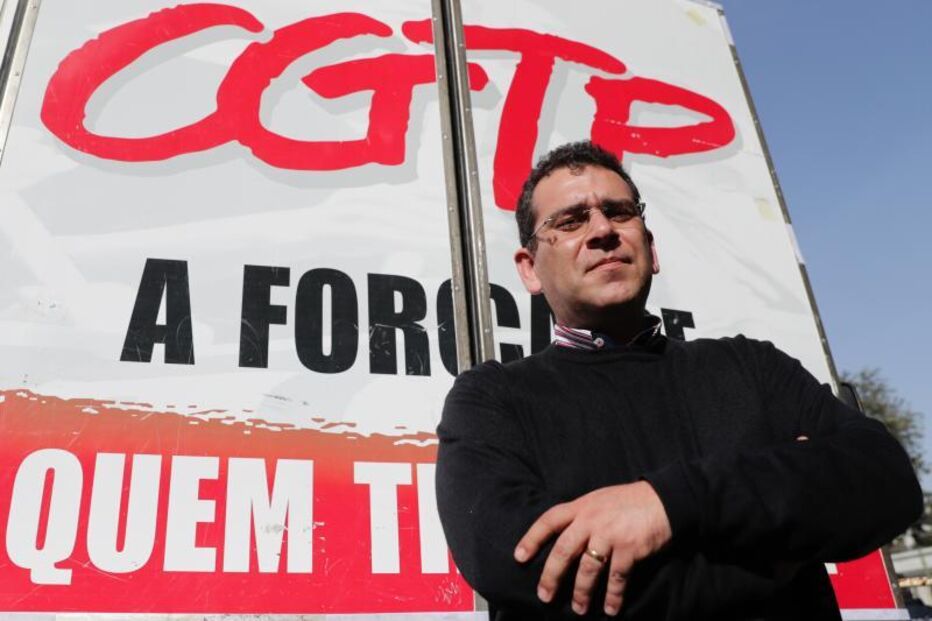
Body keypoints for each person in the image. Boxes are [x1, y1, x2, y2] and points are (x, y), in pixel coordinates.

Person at [435, 141, 922, 620]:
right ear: (529, 269)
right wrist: (774, 556)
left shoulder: (751, 366)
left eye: (620, 212)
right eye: (570, 220)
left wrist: (670, 503)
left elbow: (886, 481)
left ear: (650, 246)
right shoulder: (491, 400)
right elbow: (528, 571)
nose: (603, 229)